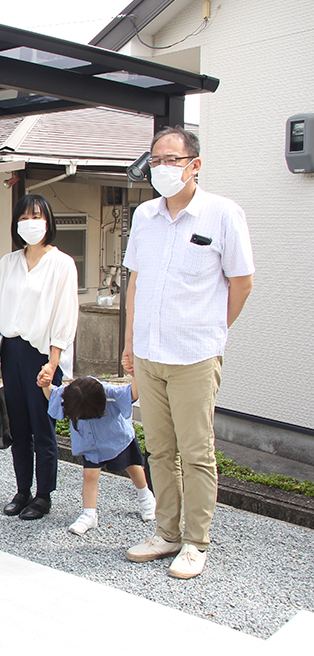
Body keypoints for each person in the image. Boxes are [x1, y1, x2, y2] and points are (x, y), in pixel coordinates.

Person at [122, 126, 254, 580]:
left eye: (171, 160)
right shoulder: (144, 215)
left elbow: (242, 282)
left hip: (195, 354)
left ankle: (196, 542)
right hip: (150, 354)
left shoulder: (222, 214)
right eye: (155, 160)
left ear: (194, 165)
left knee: (197, 452)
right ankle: (166, 532)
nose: (161, 168)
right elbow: (134, 282)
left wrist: (213, 329)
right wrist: (129, 346)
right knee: (160, 450)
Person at [0, 194, 79, 520]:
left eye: (36, 216)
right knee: (19, 427)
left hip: (42, 354)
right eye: (24, 217)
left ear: (48, 221)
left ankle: (43, 495)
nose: (30, 222)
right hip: (10, 352)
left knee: (43, 428)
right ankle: (22, 489)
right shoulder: (7, 263)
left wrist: (53, 364)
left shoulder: (62, 264)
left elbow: (65, 317)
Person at [41, 375, 156, 536]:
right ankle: (89, 514)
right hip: (90, 444)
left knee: (133, 467)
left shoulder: (110, 392)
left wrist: (135, 372)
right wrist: (46, 384)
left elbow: (133, 393)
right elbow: (53, 394)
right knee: (89, 476)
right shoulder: (71, 394)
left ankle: (146, 498)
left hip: (117, 439)